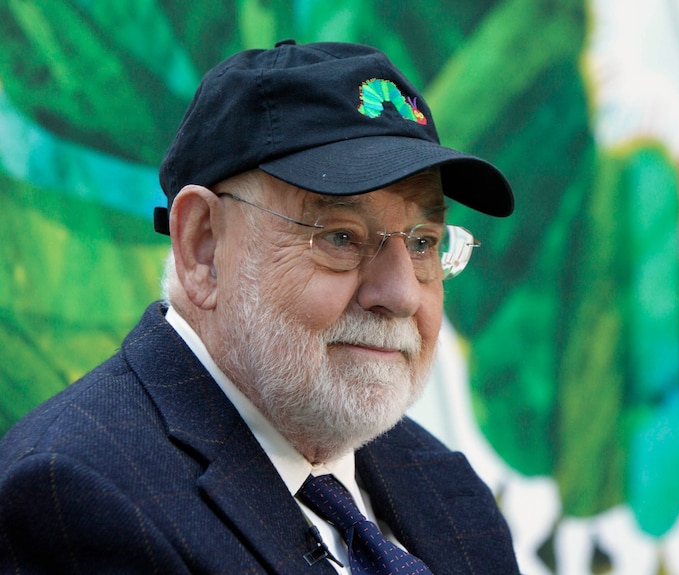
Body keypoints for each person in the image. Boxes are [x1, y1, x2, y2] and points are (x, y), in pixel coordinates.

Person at [0, 40, 520, 574]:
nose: (402, 293)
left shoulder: (449, 487)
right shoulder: (78, 496)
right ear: (203, 247)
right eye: (341, 236)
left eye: (422, 243)